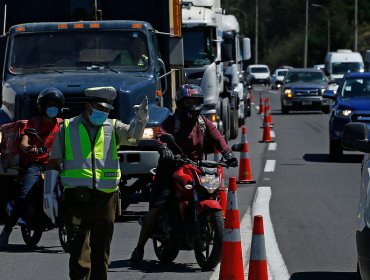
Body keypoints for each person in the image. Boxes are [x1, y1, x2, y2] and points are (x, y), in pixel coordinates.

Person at [43, 86, 148, 280]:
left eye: (107, 110)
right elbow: (54, 162)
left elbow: (134, 135)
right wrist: (48, 194)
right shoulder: (67, 127)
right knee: (78, 255)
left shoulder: (113, 126)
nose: (104, 114)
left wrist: (140, 120)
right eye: (100, 109)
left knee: (101, 254)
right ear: (88, 106)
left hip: (106, 199)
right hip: (76, 199)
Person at [129, 84, 238, 266]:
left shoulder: (203, 122)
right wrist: (164, 149)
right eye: (189, 101)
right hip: (170, 167)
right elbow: (161, 135)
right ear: (181, 103)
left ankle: (198, 224)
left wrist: (228, 153)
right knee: (157, 207)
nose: (192, 105)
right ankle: (139, 248)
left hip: (195, 166)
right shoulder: (173, 121)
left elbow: (218, 137)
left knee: (211, 190)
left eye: (195, 101)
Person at [0, 87, 65, 248]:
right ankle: (6, 231)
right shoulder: (32, 123)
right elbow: (24, 143)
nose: (53, 108)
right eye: (49, 104)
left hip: (57, 164)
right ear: (42, 106)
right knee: (24, 195)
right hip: (36, 164)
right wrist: (31, 148)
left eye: (56, 104)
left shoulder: (62, 124)